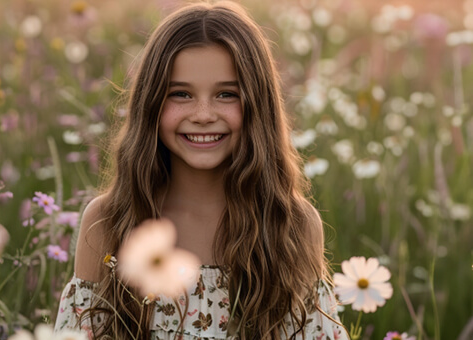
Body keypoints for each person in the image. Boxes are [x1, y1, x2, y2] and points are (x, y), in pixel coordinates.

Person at [54, 1, 348, 339]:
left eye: (226, 94)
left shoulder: (291, 224)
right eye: (180, 94)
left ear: (258, 104)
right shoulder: (110, 221)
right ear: (151, 103)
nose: (204, 114)